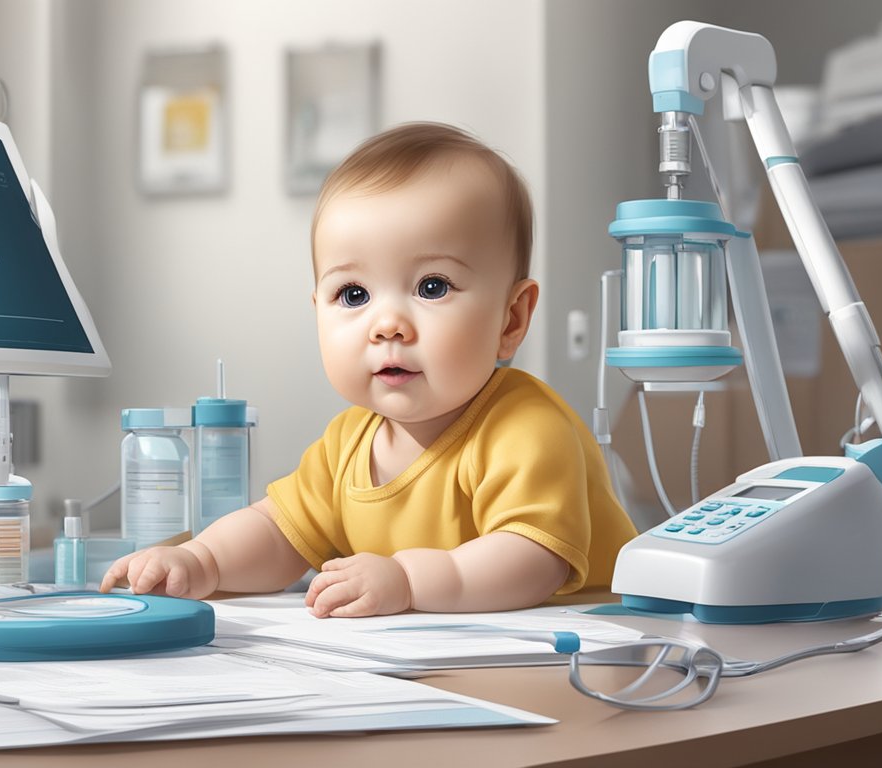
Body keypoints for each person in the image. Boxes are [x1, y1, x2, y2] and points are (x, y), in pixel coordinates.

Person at [100, 122, 637, 618]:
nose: (387, 325)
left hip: (582, 653)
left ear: (511, 318)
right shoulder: (348, 445)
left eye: (432, 287)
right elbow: (277, 530)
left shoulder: (526, 427)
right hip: (436, 662)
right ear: (317, 310)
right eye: (353, 294)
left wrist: (406, 579)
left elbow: (531, 559)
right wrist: (203, 561)